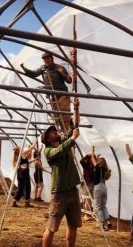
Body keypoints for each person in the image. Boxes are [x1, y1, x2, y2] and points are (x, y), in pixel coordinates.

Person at [42, 98, 81, 247]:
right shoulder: (48, 151)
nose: (55, 131)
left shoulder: (64, 140)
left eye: (54, 130)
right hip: (59, 193)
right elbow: (61, 149)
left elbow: (74, 124)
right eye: (51, 132)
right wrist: (72, 138)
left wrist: (76, 108)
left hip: (73, 190)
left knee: (73, 225)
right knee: (52, 227)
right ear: (47, 139)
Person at [21, 52, 72, 132]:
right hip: (52, 96)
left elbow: (69, 81)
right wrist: (23, 68)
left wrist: (63, 74)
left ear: (52, 58)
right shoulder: (43, 68)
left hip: (62, 94)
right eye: (45, 60)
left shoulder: (59, 67)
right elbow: (34, 74)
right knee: (58, 118)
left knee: (64, 116)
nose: (47, 61)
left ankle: (67, 132)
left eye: (48, 59)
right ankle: (63, 133)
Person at [12, 141, 39, 208]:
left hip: (20, 172)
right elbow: (30, 149)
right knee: (27, 187)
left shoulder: (19, 156)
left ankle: (15, 201)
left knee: (21, 187)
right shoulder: (22, 154)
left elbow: (26, 162)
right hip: (24, 173)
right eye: (21, 148)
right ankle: (26, 202)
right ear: (19, 150)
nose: (22, 148)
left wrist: (34, 159)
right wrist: (34, 143)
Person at [91, 146, 112, 231]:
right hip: (104, 187)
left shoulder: (97, 167)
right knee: (104, 206)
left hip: (98, 188)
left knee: (98, 207)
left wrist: (92, 151)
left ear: (99, 162)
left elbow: (92, 158)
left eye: (99, 159)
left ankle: (103, 223)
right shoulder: (105, 169)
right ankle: (108, 221)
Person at [80, 153, 95, 221]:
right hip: (86, 184)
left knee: (89, 199)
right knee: (87, 199)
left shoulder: (93, 166)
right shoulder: (86, 165)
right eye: (92, 158)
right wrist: (87, 155)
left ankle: (88, 214)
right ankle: (85, 215)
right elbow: (81, 161)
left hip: (91, 184)